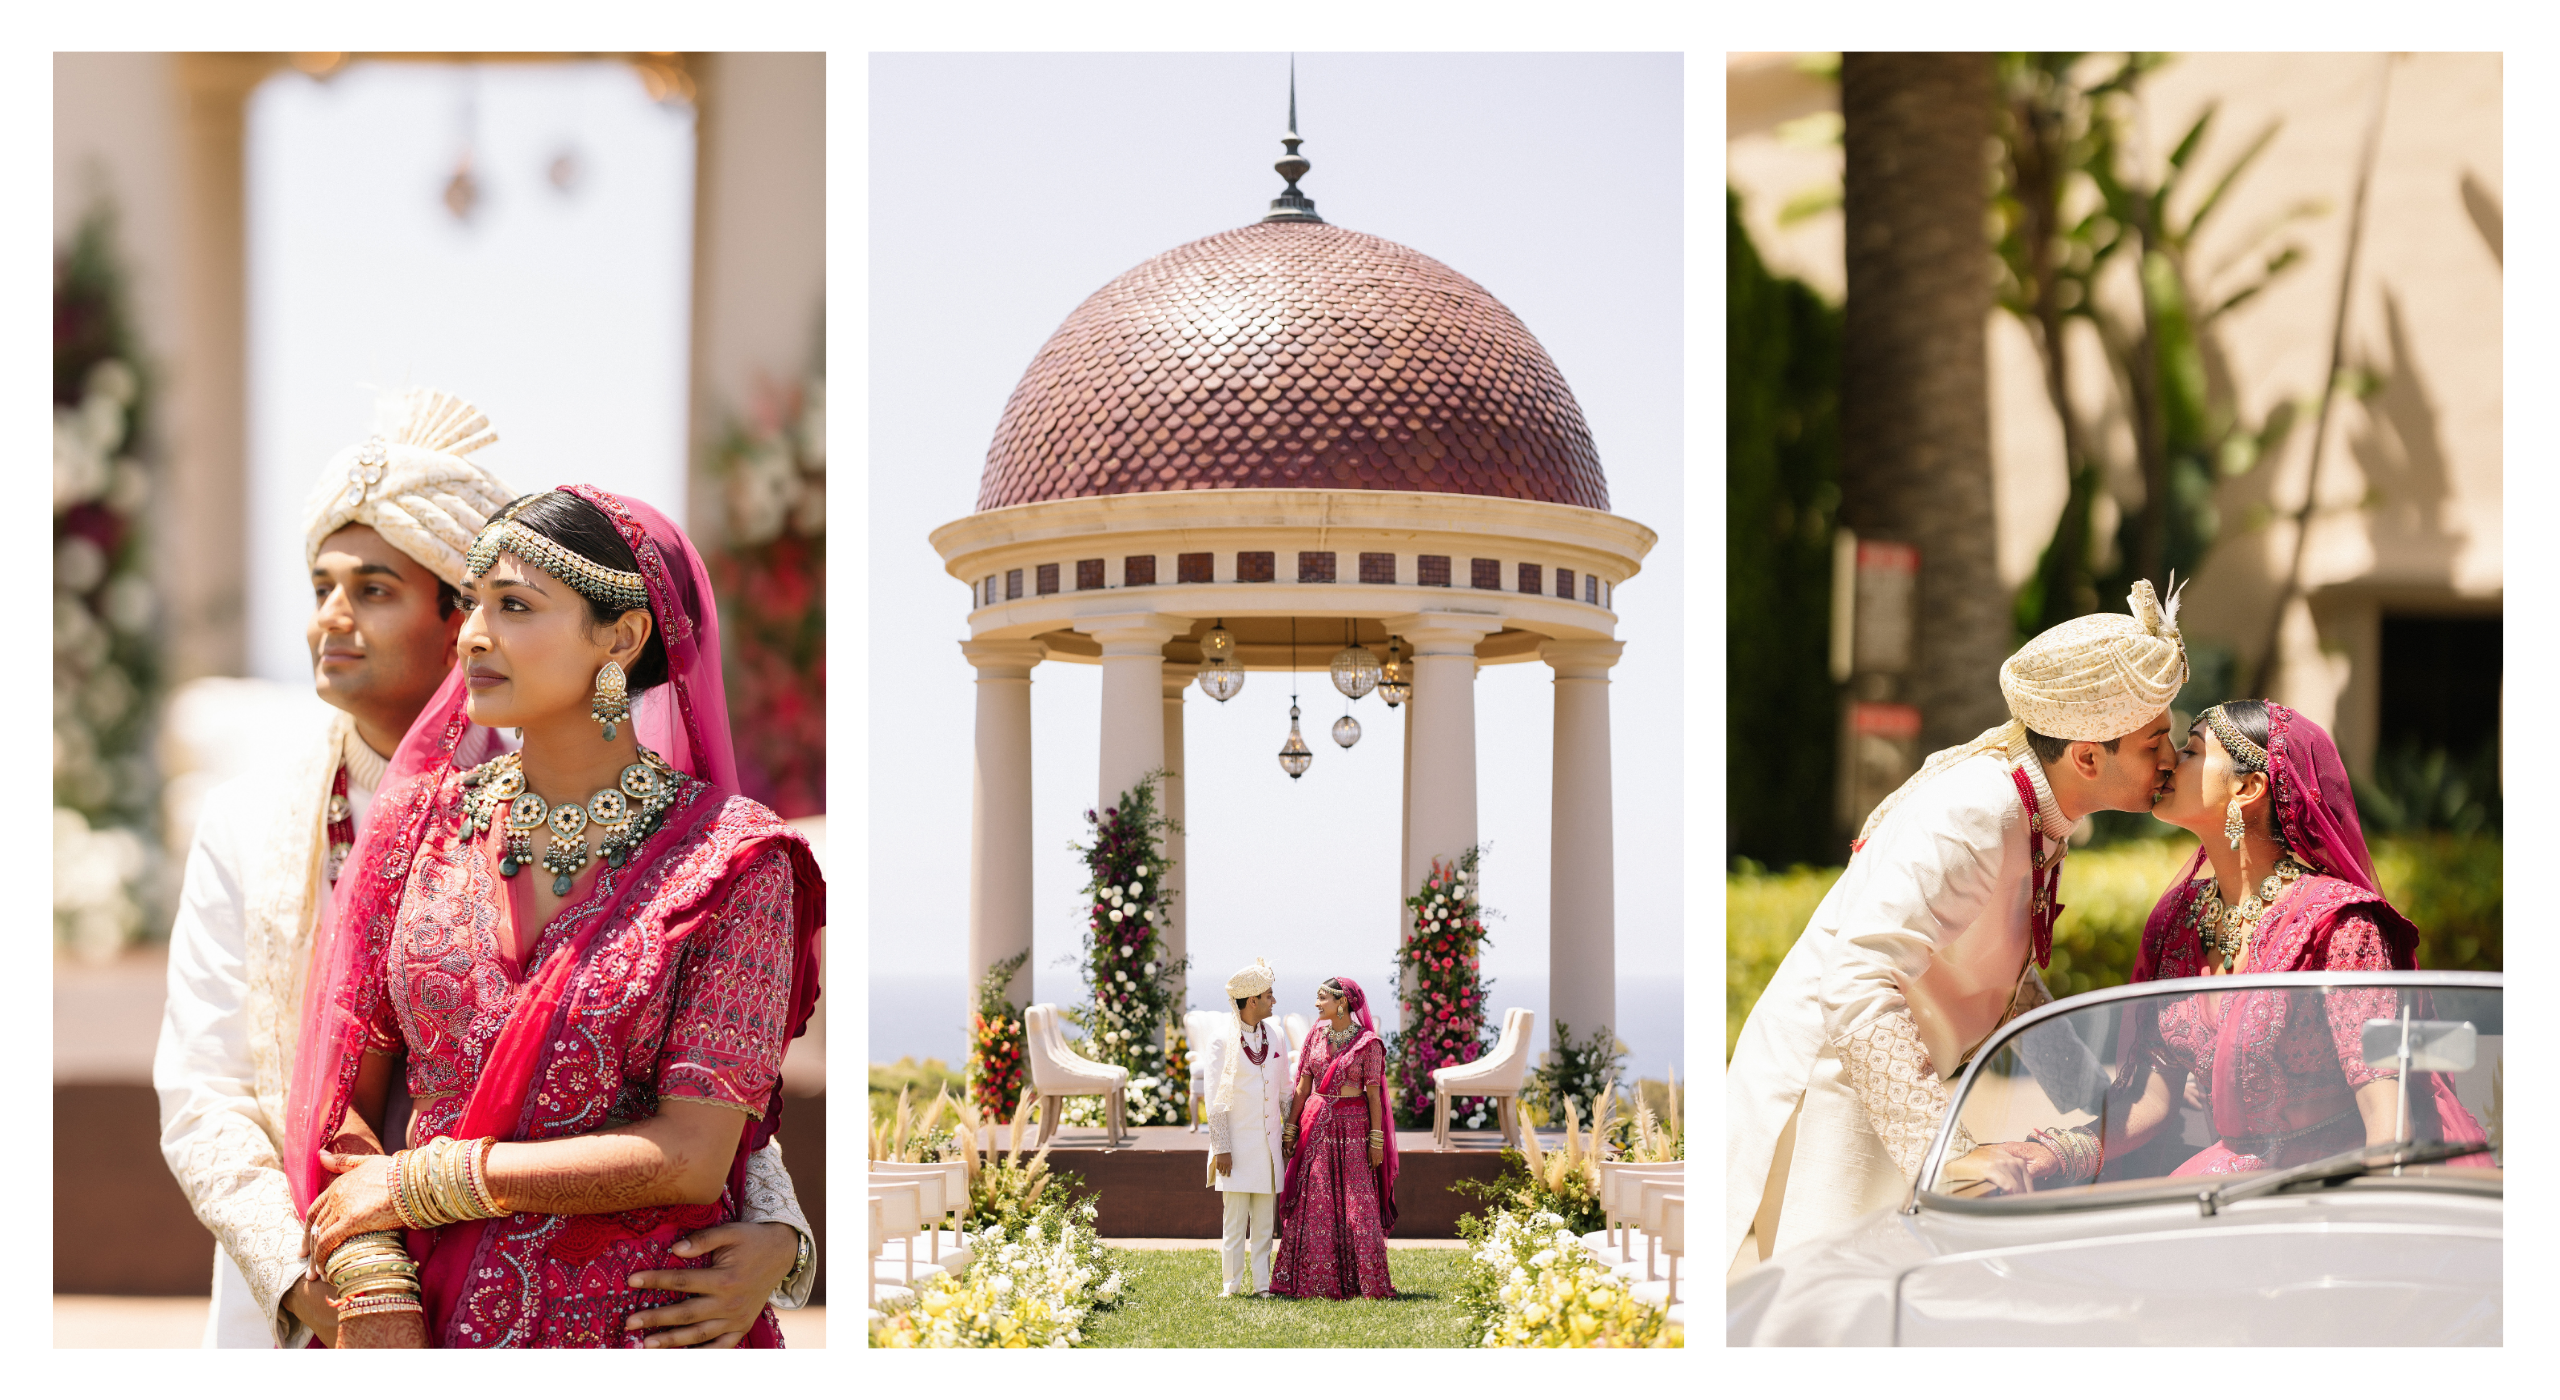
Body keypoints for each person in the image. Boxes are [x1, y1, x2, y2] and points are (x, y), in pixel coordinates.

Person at [154, 394, 812, 1348]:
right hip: (346, 1291)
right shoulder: (322, 825)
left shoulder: (718, 854)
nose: (332, 621)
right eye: (318, 587)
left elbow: (705, 1099)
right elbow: (224, 1090)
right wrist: (337, 1289)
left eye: (374, 590)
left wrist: (777, 1236)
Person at [1725, 580, 2188, 1273]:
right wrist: (1952, 1151)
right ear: (2089, 758)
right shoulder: (1979, 809)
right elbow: (1855, 980)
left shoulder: (2031, 807)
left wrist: (2101, 1105)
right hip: (1836, 1090)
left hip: (1879, 1084)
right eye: (2157, 742)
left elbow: (2002, 979)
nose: (2172, 759)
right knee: (1831, 1318)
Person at [1953, 699, 2488, 1193]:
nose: (2166, 762)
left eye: (2189, 751)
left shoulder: (2339, 927)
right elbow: (2148, 1100)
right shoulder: (2178, 922)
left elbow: (2387, 1119)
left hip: (2325, 1192)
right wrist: (2042, 1156)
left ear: (2247, 788)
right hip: (2223, 1188)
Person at [1270, 977, 1397, 1300]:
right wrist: (1291, 1128)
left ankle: (1364, 1282)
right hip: (1317, 1125)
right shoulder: (1315, 1035)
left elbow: (1375, 1097)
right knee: (1317, 1202)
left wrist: (1376, 1141)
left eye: (1322, 998)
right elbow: (1302, 1087)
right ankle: (1314, 1281)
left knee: (1358, 1205)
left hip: (1354, 1127)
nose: (1316, 1004)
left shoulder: (1368, 1044)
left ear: (1341, 1002)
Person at [1204, 959, 1289, 1298]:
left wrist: (1291, 1133)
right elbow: (1214, 1100)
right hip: (1235, 1148)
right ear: (1252, 1000)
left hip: (1268, 1146)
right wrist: (1221, 1147)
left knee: (1266, 1224)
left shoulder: (1276, 1034)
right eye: (1269, 995)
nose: (1274, 1001)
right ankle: (1231, 1285)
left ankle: (1262, 1286)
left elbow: (1285, 1089)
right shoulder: (1220, 1040)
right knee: (1235, 1223)